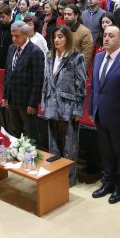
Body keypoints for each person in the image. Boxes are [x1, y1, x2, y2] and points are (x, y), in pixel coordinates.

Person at [89, 25, 120, 203]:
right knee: (106, 152)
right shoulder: (99, 57)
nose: (106, 38)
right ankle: (107, 182)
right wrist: (91, 110)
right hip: (100, 114)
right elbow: (95, 87)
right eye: (105, 35)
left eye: (111, 36)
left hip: (119, 119)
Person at [42, 26, 87, 186]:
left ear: (67, 38)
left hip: (68, 105)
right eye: (54, 37)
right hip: (51, 104)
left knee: (70, 145)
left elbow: (81, 85)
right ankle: (55, 174)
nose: (56, 40)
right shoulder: (49, 56)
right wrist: (44, 103)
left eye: (60, 36)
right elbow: (46, 82)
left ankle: (69, 178)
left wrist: (78, 109)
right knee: (53, 142)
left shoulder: (76, 57)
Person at [2, 21, 45, 142]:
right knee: (15, 130)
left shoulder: (35, 52)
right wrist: (5, 95)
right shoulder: (11, 48)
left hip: (26, 101)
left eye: (17, 36)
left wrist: (33, 103)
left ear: (26, 35)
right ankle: (17, 154)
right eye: (12, 35)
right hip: (12, 98)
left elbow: (38, 80)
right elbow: (7, 73)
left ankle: (34, 155)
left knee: (31, 131)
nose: (14, 38)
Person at [63, 4, 94, 70]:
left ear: (76, 15)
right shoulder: (62, 29)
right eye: (65, 14)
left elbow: (86, 57)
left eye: (69, 14)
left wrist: (79, 72)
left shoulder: (85, 32)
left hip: (75, 70)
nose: (66, 17)